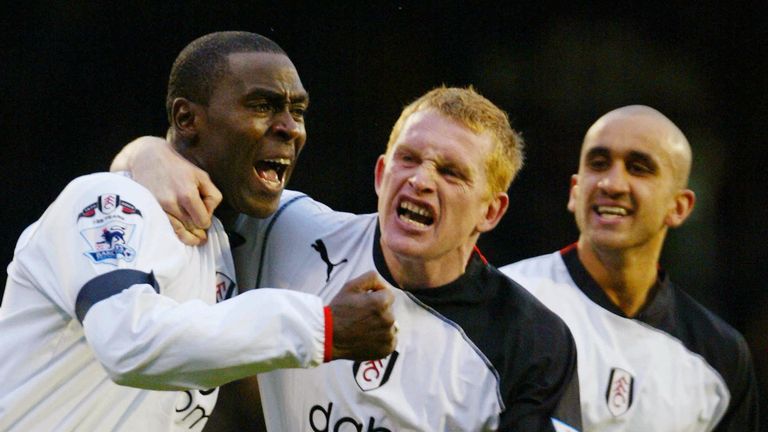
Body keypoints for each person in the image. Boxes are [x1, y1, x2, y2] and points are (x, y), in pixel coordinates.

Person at [119, 86, 583, 431]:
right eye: (409, 159)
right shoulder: (286, 229)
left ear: (491, 210)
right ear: (382, 175)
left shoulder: (530, 339)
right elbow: (156, 183)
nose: (421, 180)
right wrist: (143, 152)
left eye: (450, 172)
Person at [0, 31, 396, 432]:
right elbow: (129, 343)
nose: (291, 129)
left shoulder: (231, 239)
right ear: (187, 119)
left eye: (299, 111)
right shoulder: (106, 200)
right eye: (263, 105)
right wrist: (319, 327)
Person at [500, 105, 760, 431]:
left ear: (679, 207)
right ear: (575, 191)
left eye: (638, 168)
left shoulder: (720, 354)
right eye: (598, 163)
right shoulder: (506, 301)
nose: (612, 183)